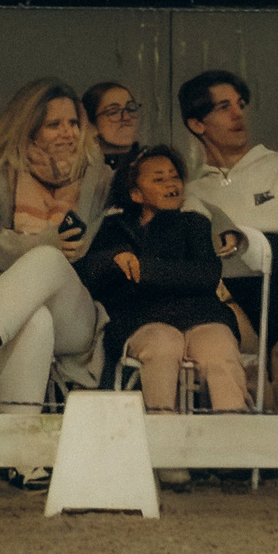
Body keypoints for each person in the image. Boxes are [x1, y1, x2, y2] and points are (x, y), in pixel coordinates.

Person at [0, 81, 112, 488]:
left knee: (47, 262)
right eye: (53, 125)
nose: (67, 133)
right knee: (35, 318)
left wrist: (225, 229)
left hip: (75, 313)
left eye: (72, 123)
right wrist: (42, 240)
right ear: (28, 129)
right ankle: (25, 459)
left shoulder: (98, 179)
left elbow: (172, 193)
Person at [176, 70, 278, 410]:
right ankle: (244, 453)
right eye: (223, 107)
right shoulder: (191, 192)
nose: (237, 114)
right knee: (230, 348)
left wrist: (254, 242)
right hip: (233, 306)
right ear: (197, 124)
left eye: (240, 104)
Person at [82, 147, 250, 415]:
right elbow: (91, 272)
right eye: (158, 179)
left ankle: (232, 439)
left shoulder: (193, 222)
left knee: (218, 347)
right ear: (136, 194)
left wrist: (144, 270)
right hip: (141, 321)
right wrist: (115, 259)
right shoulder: (116, 227)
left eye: (174, 177)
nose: (171, 184)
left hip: (201, 317)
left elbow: (206, 274)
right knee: (164, 343)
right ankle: (162, 431)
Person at [83, 82, 144, 176]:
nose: (126, 117)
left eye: (131, 108)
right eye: (113, 112)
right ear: (92, 124)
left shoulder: (154, 162)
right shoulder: (81, 171)